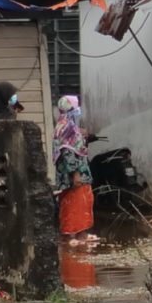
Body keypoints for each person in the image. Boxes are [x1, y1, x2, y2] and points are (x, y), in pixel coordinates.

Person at [53, 93, 93, 239]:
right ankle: (75, 239)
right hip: (75, 177)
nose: (78, 111)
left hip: (68, 177)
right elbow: (67, 152)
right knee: (77, 208)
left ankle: (74, 237)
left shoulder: (64, 126)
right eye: (76, 108)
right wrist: (75, 173)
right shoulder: (68, 128)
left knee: (72, 207)